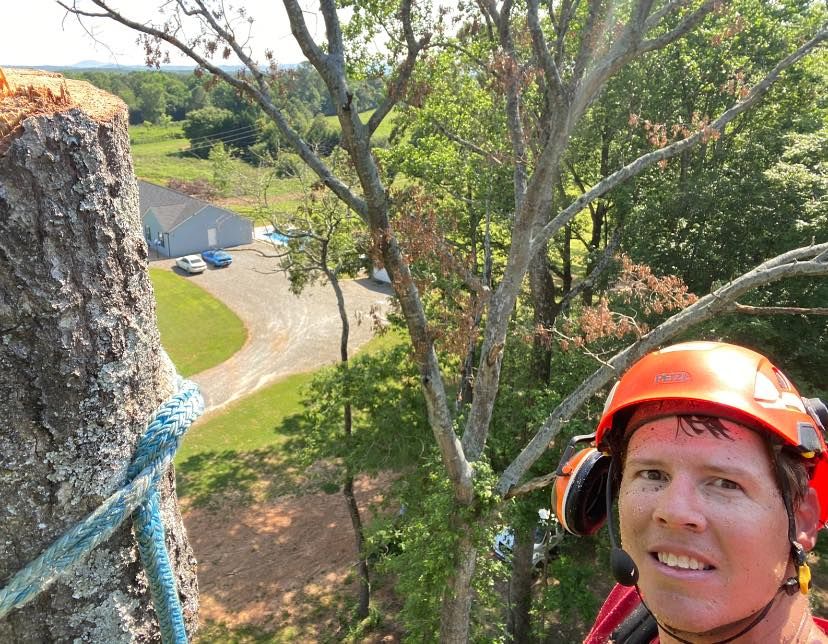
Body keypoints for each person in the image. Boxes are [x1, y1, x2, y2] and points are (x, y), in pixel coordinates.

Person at [553, 341, 828, 643]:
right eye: (652, 475)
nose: (673, 512)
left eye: (725, 483)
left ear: (802, 519)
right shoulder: (631, 602)